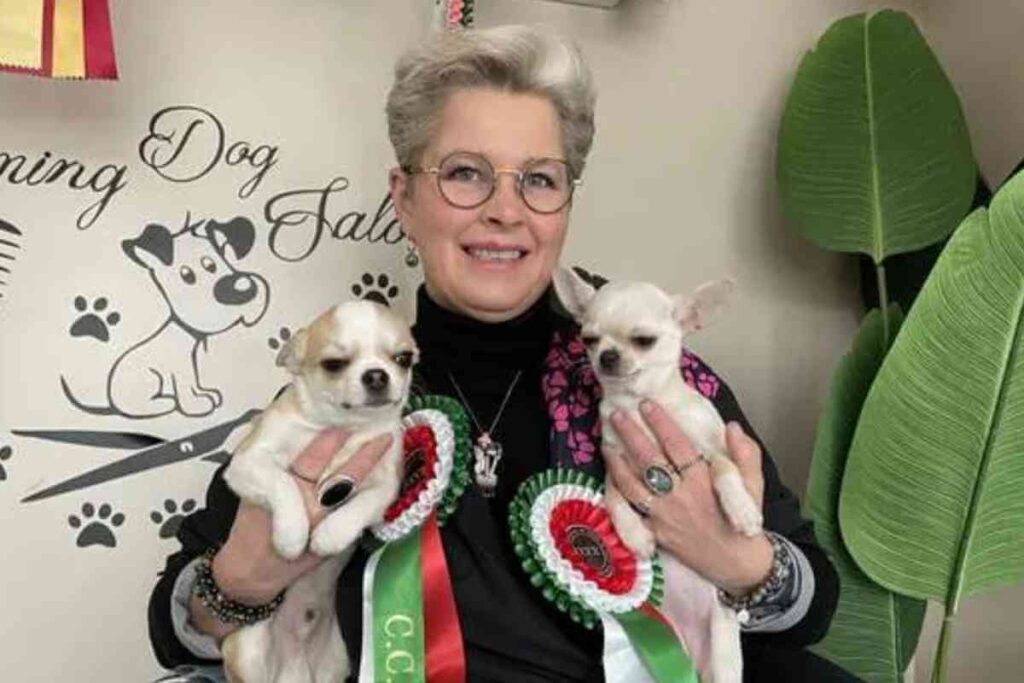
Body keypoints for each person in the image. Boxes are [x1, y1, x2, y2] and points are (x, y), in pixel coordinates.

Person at [149, 24, 858, 682]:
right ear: (403, 198)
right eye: (465, 173)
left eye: (540, 180)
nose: (505, 209)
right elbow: (176, 627)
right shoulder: (343, 377)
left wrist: (736, 559)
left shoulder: (651, 372)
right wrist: (238, 584)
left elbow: (811, 599)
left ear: (566, 205)